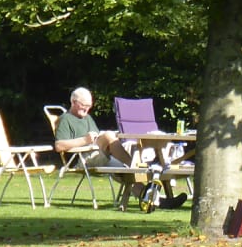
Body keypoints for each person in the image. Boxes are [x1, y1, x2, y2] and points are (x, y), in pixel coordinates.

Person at [53, 87, 187, 210]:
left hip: (98, 155)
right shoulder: (66, 119)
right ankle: (136, 167)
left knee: (126, 172)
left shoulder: (87, 118)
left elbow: (96, 137)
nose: (87, 109)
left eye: (89, 106)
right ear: (74, 102)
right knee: (109, 136)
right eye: (84, 105)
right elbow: (59, 146)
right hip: (81, 159)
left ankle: (158, 201)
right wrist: (85, 140)